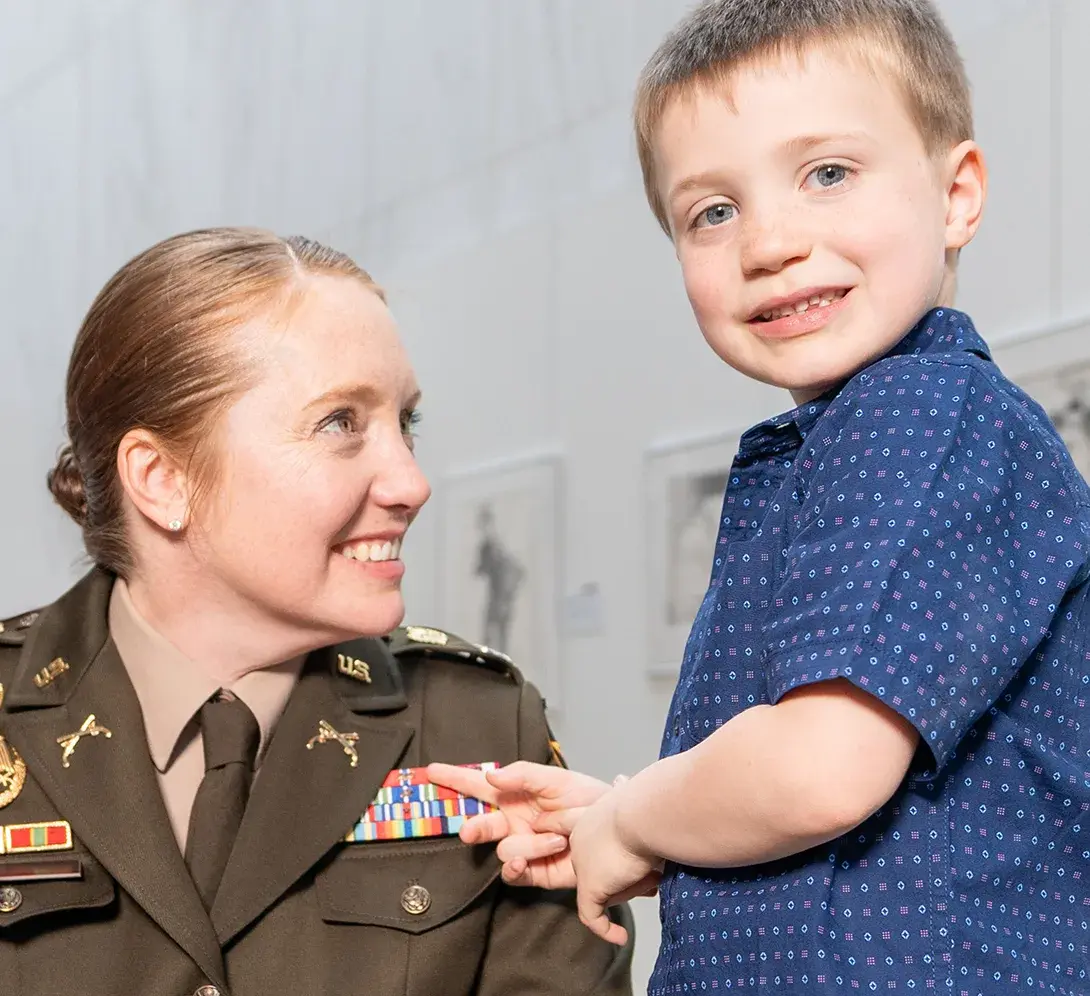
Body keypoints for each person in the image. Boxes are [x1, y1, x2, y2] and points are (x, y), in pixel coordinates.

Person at [429, 1, 1090, 993]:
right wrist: (623, 819)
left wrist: (631, 818)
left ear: (956, 195)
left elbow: (821, 768)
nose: (769, 240)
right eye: (712, 211)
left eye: (827, 173)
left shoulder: (920, 408)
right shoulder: (843, 440)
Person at [0, 228, 634, 995]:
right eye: (341, 424)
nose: (410, 482)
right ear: (163, 478)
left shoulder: (480, 728)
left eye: (407, 424)